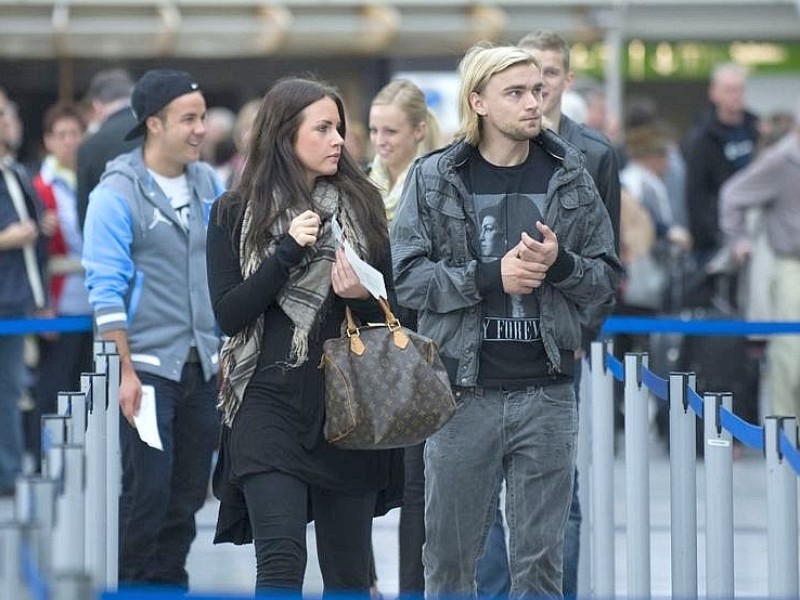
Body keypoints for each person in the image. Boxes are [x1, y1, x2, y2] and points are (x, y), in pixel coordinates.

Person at [390, 43, 620, 598]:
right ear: (480, 102)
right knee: (447, 560)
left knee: (540, 565)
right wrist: (493, 277)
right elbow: (410, 280)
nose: (532, 103)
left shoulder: (571, 173)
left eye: (538, 90)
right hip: (461, 393)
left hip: (545, 392)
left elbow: (605, 279)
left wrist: (560, 264)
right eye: (515, 93)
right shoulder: (435, 177)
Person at [206, 76, 400, 596]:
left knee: (347, 575)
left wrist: (361, 295)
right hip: (267, 406)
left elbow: (396, 317)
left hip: (348, 409)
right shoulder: (234, 212)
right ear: (285, 135)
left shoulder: (362, 209)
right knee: (280, 563)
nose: (338, 139)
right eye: (323, 128)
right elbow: (229, 314)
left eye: (339, 128)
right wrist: (285, 254)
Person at [472, 30, 622, 600]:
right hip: (482, 353)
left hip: (557, 347)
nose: (538, 93)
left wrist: (580, 331)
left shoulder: (593, 155)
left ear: (565, 80)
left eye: (548, 78)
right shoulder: (465, 160)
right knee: (479, 497)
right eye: (524, 83)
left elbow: (604, 261)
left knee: (559, 492)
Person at [82, 69, 224, 588]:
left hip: (203, 366)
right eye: (189, 119)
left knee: (189, 492)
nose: (200, 129)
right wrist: (124, 372)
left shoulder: (210, 184)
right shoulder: (116, 194)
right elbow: (105, 288)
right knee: (149, 491)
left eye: (203, 117)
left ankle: (170, 581)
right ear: (154, 124)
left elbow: (225, 267)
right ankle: (134, 583)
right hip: (144, 370)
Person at [367, 77, 442, 596]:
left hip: (419, 341)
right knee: (361, 474)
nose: (381, 141)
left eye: (391, 131)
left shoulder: (436, 183)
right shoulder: (360, 186)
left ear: (419, 130)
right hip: (364, 342)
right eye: (373, 130)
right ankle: (362, 581)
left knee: (417, 482)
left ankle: (414, 588)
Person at [720, 103, 800, 420]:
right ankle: (785, 433)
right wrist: (737, 240)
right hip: (791, 264)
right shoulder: (782, 160)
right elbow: (732, 194)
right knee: (789, 355)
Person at [30, 102, 92, 471]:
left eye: (75, 133)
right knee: (54, 382)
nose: (70, 142)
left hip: (92, 301)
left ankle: (83, 457)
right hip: (58, 300)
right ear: (48, 141)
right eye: (62, 135)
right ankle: (47, 459)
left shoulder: (91, 179)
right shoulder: (39, 186)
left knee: (88, 383)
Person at [0, 87, 50, 496]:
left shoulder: (15, 171)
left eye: (8, 112)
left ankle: (10, 472)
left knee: (12, 389)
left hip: (18, 301)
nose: (8, 121)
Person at [682, 62, 759, 295]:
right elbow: (695, 193)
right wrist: (715, 234)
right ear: (714, 93)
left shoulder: (756, 129)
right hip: (716, 237)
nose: (735, 96)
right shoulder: (701, 137)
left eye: (739, 89)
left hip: (755, 229)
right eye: (728, 89)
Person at [76, 68, 138, 229]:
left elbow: (85, 218)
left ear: (97, 105)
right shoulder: (158, 131)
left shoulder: (89, 146)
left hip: (113, 240)